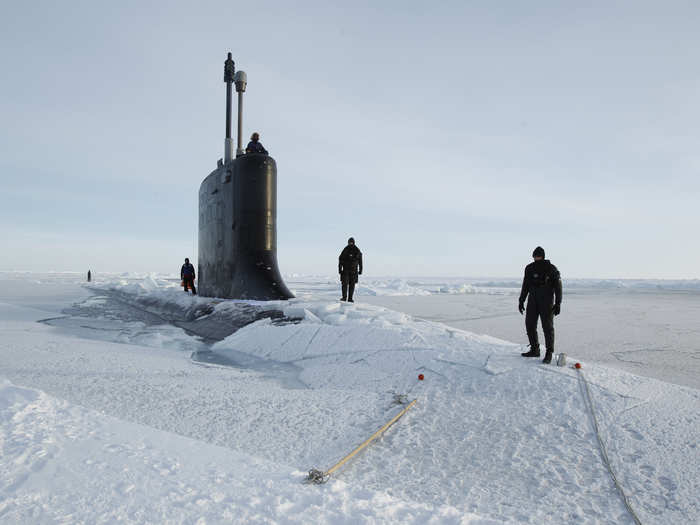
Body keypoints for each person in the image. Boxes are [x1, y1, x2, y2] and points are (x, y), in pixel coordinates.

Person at [518, 246, 562, 364]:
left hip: (546, 302)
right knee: (530, 325)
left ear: (543, 256)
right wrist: (521, 300)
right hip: (532, 300)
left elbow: (558, 287)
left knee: (547, 327)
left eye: (538, 256)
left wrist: (558, 303)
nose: (536, 258)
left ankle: (549, 353)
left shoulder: (551, 269)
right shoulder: (529, 268)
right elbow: (525, 285)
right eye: (535, 256)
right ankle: (535, 349)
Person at [338, 237, 363, 302]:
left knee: (352, 285)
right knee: (344, 284)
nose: (351, 243)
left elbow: (360, 261)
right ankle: (344, 297)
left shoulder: (357, 250)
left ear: (354, 243)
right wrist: (340, 269)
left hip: (354, 271)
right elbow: (340, 259)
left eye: (352, 242)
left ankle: (350, 298)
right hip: (346, 270)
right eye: (350, 242)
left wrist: (360, 270)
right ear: (348, 242)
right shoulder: (345, 250)